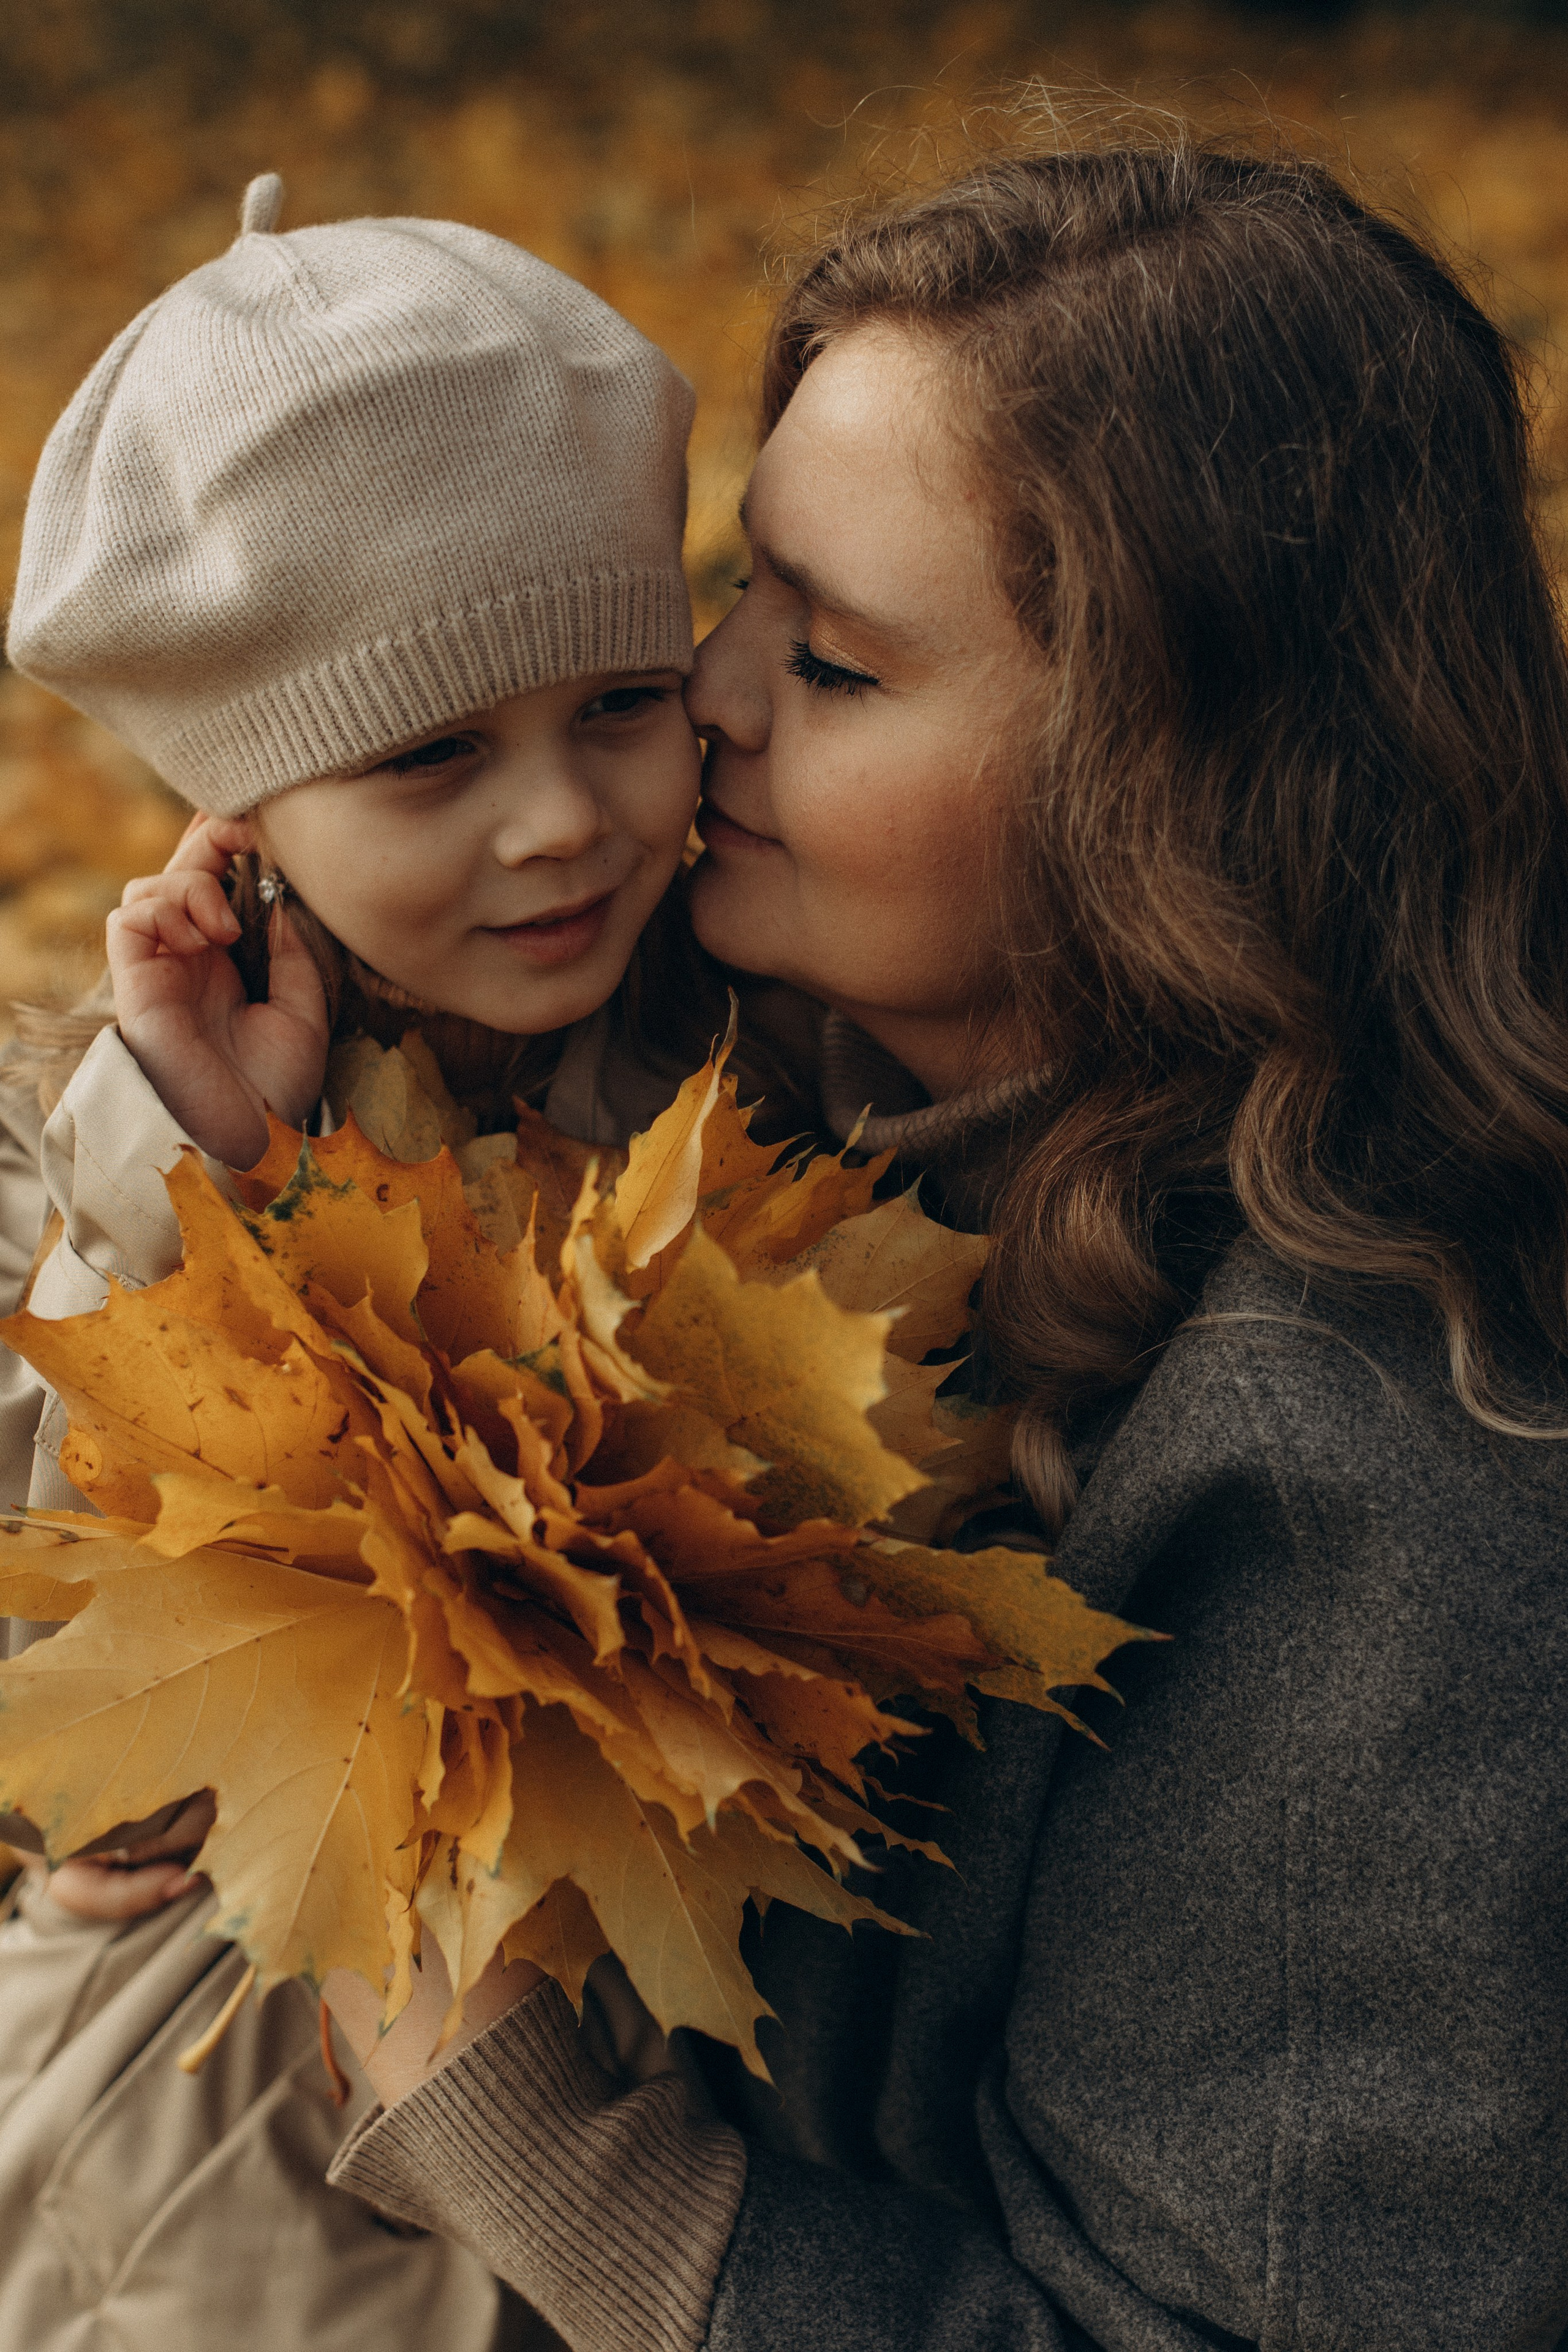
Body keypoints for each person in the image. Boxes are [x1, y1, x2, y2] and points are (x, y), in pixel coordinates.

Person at [309, 130, 1568, 2351]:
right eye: (741, 588)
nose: (706, 693)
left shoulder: (1350, 1482)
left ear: (1167, 792)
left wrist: (579, 2181)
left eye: (838, 665)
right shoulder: (782, 1103)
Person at [0, 170, 803, 2352]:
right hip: (233, 2139)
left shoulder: (747, 1063)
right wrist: (204, 1180)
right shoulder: (119, 1142)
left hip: (635, 2113)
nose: (556, 821)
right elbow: (71, 1651)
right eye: (434, 752)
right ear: (242, 817)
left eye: (619, 704)